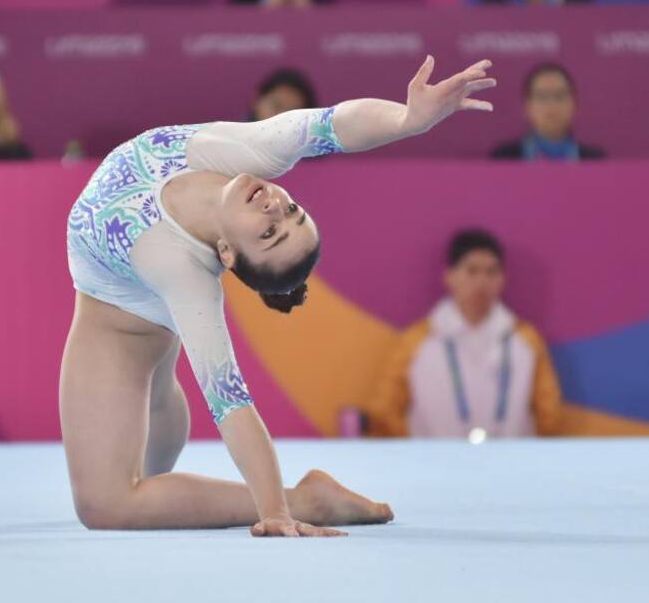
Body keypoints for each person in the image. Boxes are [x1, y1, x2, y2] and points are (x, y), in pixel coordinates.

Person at [61, 54, 496, 536]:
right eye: (291, 212)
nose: (274, 207)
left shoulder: (182, 271)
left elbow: (231, 403)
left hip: (121, 324)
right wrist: (406, 120)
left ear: (226, 253)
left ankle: (307, 498)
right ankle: (173, 427)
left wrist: (277, 510)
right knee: (156, 417)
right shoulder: (252, 153)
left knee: (106, 506)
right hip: (142, 318)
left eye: (268, 234)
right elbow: (333, 125)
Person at [362, 230, 563, 440]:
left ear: (503, 278)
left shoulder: (526, 339)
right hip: (433, 465)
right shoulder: (417, 339)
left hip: (512, 465)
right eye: (472, 271)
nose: (482, 281)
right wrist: (417, 452)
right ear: (449, 276)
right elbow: (385, 410)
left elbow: (549, 415)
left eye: (491, 272)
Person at [490, 63, 605, 162]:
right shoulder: (504, 158)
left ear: (575, 104)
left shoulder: (595, 161)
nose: (551, 105)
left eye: (559, 96)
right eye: (542, 97)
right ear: (527, 106)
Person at [249, 68, 318, 122]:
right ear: (257, 101)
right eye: (277, 106)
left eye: (293, 113)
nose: (281, 117)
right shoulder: (238, 137)